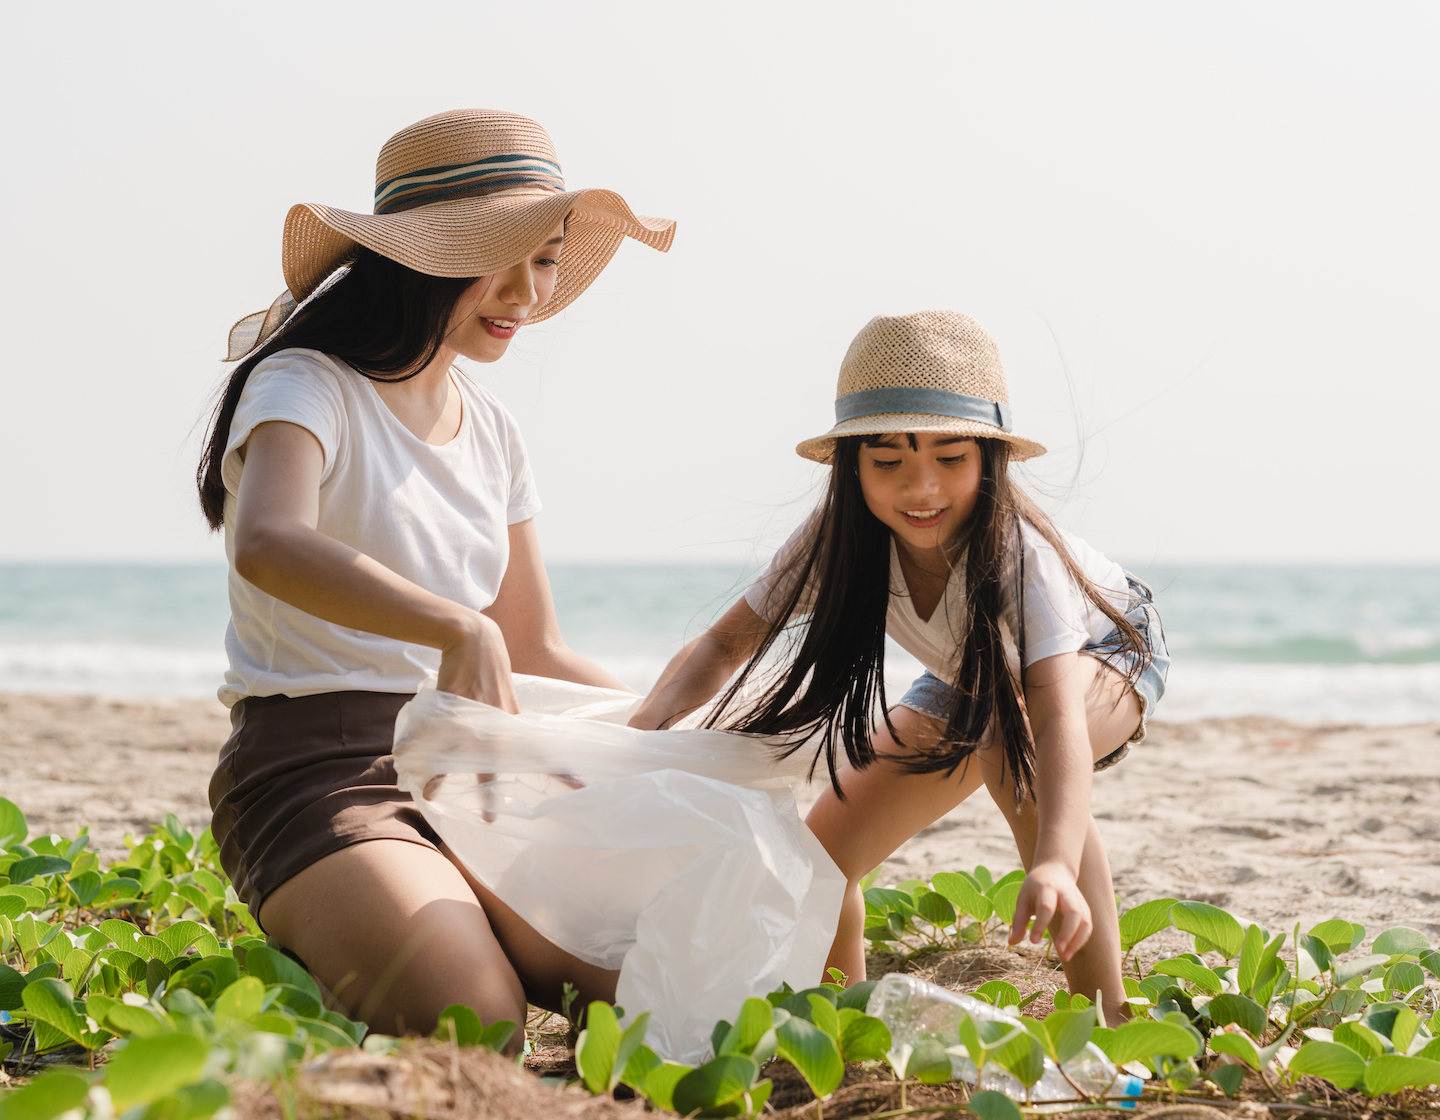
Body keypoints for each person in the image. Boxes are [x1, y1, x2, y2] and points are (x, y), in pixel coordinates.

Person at [197, 108, 673, 1041]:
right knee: (478, 1019)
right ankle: (347, 914)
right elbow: (266, 540)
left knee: (670, 973)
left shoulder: (492, 426)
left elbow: (535, 646)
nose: (527, 294)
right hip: (319, 767)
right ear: (417, 256)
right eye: (501, 257)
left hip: (481, 768)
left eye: (545, 259)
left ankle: (411, 915)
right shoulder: (306, 381)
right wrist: (458, 627)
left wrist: (678, 725)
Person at [630, 310, 1168, 1022]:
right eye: (889, 462)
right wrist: (639, 735)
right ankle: (846, 1018)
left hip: (1105, 651)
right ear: (852, 466)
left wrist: (1054, 865)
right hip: (969, 677)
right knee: (818, 865)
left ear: (989, 458)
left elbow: (1056, 714)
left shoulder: (1018, 554)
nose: (921, 490)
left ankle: (1108, 1014)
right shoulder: (833, 543)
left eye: (950, 459)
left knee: (1011, 741)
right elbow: (721, 646)